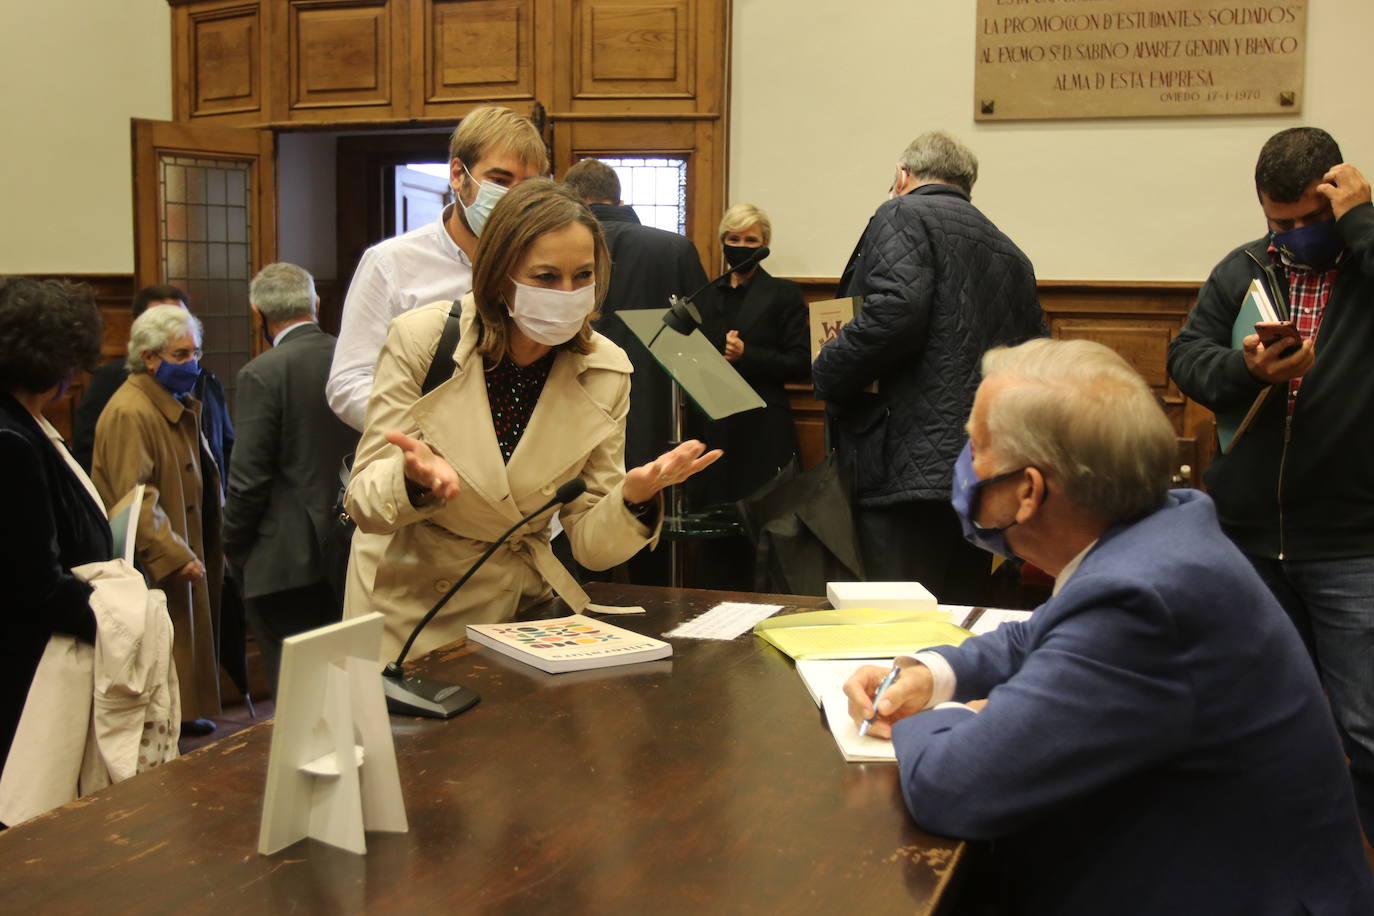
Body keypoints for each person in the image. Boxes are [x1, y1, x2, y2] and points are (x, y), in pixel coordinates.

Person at [844, 338, 1374, 916]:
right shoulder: (1163, 526)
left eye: (975, 446)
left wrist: (934, 718)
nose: (964, 464)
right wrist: (931, 673)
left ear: (1029, 492)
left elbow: (958, 788)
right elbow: (1036, 634)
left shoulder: (1141, 599)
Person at [343, 180, 720, 661]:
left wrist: (632, 498)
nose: (568, 293)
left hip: (518, 614)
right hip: (407, 606)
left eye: (583, 275)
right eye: (545, 277)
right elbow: (363, 504)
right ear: (500, 275)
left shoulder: (605, 369)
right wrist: (411, 481)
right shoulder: (424, 340)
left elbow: (587, 544)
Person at [1168, 126, 1374, 841]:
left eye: (1309, 221)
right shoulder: (1248, 267)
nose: (1292, 235)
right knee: (1256, 713)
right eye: (1277, 221)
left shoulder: (1365, 255)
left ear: (1337, 193)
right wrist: (1246, 372)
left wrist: (1363, 223)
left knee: (1365, 726)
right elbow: (1186, 357)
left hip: (1353, 539)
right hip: (1250, 536)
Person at [812, 131, 1044, 605]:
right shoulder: (1009, 251)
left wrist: (828, 369)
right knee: (956, 613)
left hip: (902, 462)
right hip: (976, 468)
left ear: (902, 176)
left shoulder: (901, 212)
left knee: (893, 620)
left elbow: (895, 310)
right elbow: (1035, 353)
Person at [327, 105, 548, 431]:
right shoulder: (391, 263)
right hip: (424, 462)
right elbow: (349, 382)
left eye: (527, 186)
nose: (513, 198)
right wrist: (425, 433)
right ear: (458, 174)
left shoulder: (543, 266)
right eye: (499, 180)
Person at [562, 158, 710, 586]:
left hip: (574, 417)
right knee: (652, 550)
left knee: (576, 536)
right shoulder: (673, 249)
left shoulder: (558, 246)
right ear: (620, 198)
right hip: (657, 419)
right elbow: (704, 348)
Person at [222, 264, 359, 691]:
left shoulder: (262, 373)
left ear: (257, 313)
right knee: (350, 683)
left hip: (284, 561)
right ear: (316, 305)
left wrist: (233, 545)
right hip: (355, 546)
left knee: (299, 695)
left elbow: (248, 479)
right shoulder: (355, 361)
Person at [0, 278, 112, 799]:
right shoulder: (12, 442)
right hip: (24, 670)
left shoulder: (23, 424)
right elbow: (32, 581)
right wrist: (117, 611)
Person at [92, 305, 223, 735]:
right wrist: (173, 552)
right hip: (153, 558)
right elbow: (135, 495)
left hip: (183, 543)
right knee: (167, 640)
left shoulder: (172, 402)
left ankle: (183, 713)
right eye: (182, 355)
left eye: (196, 353)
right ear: (150, 358)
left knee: (184, 638)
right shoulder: (131, 410)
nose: (193, 364)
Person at [690, 203, 810, 589]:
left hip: (764, 430)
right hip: (715, 427)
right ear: (723, 242)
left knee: (764, 527)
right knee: (714, 528)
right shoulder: (705, 297)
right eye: (733, 239)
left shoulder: (784, 294)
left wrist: (748, 356)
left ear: (765, 244)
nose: (741, 246)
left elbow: (801, 363)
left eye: (750, 240)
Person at [72, 284, 233, 487]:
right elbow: (93, 454)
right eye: (164, 319)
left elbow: (225, 448)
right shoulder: (118, 391)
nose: (191, 362)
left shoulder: (206, 382)